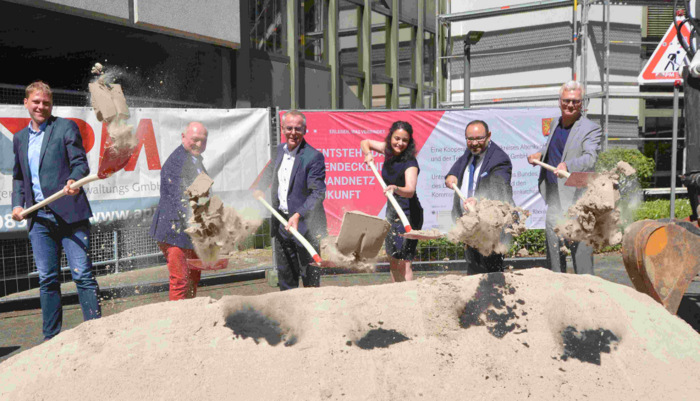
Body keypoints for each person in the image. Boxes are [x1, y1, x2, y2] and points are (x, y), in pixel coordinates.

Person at [11, 81, 101, 340]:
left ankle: (96, 332)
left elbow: (80, 163)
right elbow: (19, 178)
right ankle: (51, 339)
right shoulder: (20, 138)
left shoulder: (65, 127)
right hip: (39, 219)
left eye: (46, 102)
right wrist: (18, 205)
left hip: (71, 214)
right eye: (36, 102)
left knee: (82, 275)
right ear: (26, 103)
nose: (41, 106)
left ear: (52, 105)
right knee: (48, 279)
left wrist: (74, 180)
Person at [527, 81, 603, 275]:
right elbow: (552, 148)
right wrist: (539, 155)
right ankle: (557, 296)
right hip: (554, 199)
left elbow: (590, 157)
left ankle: (587, 296)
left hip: (578, 201)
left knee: (581, 254)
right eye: (567, 101)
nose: (571, 105)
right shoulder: (555, 123)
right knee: (554, 255)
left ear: (582, 103)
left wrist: (569, 165)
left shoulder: (591, 128)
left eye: (576, 102)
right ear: (560, 102)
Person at [254, 110, 327, 291]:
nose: (293, 132)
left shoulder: (313, 157)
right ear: (282, 129)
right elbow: (270, 171)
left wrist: (298, 215)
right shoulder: (278, 151)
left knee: (310, 282)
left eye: (297, 128)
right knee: (286, 281)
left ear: (305, 130)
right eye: (289, 128)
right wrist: (259, 188)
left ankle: (313, 317)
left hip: (306, 228)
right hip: (282, 226)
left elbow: (318, 193)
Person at [444, 120, 514, 275]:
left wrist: (479, 200)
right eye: (470, 139)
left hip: (490, 226)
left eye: (479, 139)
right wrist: (452, 175)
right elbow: (459, 165)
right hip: (470, 223)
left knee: (491, 272)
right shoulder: (470, 152)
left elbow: (498, 187)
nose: (474, 143)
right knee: (473, 268)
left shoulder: (499, 159)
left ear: (488, 136)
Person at [150, 122, 209, 300]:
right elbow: (180, 199)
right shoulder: (177, 162)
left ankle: (189, 319)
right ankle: (177, 323)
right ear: (183, 137)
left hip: (190, 231)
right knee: (181, 281)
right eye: (195, 140)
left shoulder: (195, 159)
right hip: (174, 231)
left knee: (192, 279)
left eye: (203, 141)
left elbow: (203, 192)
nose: (199, 144)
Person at [361, 121, 424, 282]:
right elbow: (365, 142)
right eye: (397, 138)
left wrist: (396, 188)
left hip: (409, 214)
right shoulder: (387, 150)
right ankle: (398, 295)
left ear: (409, 142)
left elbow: (409, 191)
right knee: (393, 260)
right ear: (391, 137)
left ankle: (409, 299)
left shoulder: (410, 163)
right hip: (392, 213)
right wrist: (368, 154)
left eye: (405, 140)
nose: (400, 143)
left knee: (404, 262)